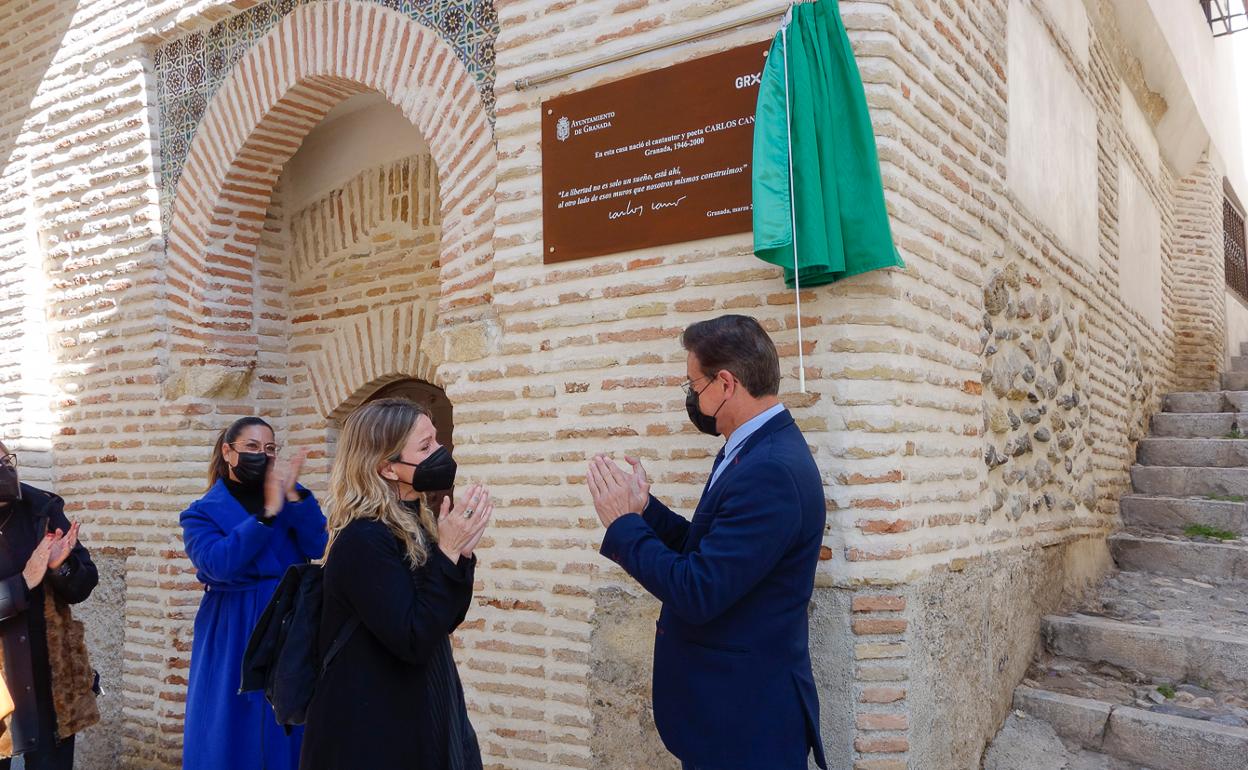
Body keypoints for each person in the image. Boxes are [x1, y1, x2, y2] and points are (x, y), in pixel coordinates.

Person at [587, 314, 828, 770]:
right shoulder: (749, 449)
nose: (693, 399)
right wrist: (645, 512)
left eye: (694, 386)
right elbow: (709, 549)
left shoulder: (771, 469)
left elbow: (698, 591)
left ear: (725, 383)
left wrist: (623, 526)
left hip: (745, 721)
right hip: (726, 714)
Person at [301, 398, 492, 770]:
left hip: (418, 702)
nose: (441, 452)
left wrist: (459, 555)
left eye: (436, 441)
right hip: (371, 724)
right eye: (425, 447)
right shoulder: (362, 538)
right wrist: (448, 552)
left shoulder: (414, 519)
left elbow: (443, 619)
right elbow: (413, 637)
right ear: (386, 468)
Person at [180, 418, 326, 770]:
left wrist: (294, 497)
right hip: (233, 623)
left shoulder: (289, 497)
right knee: (232, 717)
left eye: (270, 448)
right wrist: (265, 516)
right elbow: (219, 564)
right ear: (228, 452)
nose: (262, 455)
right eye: (252, 447)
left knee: (286, 712)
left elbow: (317, 544)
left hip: (288, 619)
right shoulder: (200, 513)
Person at [0, 441, 99, 770]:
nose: (4, 471)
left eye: (5, 461)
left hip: (49, 675)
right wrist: (22, 583)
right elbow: (25, 582)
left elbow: (83, 585)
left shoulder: (41, 508)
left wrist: (61, 567)